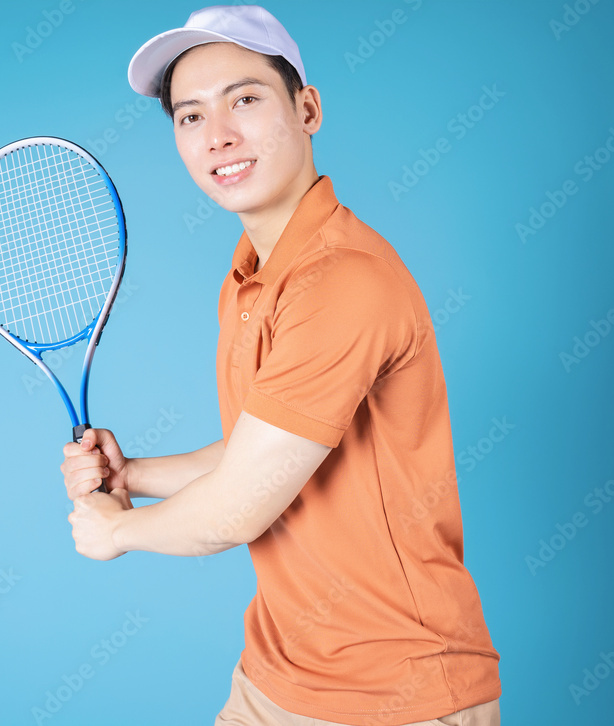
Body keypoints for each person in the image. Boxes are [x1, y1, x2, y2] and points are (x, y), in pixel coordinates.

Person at [60, 5, 501, 725]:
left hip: (396, 694)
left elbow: (240, 507)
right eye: (190, 116)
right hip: (277, 676)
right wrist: (130, 474)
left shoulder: (344, 281)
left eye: (245, 99)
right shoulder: (254, 275)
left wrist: (117, 531)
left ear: (307, 108)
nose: (219, 135)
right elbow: (257, 455)